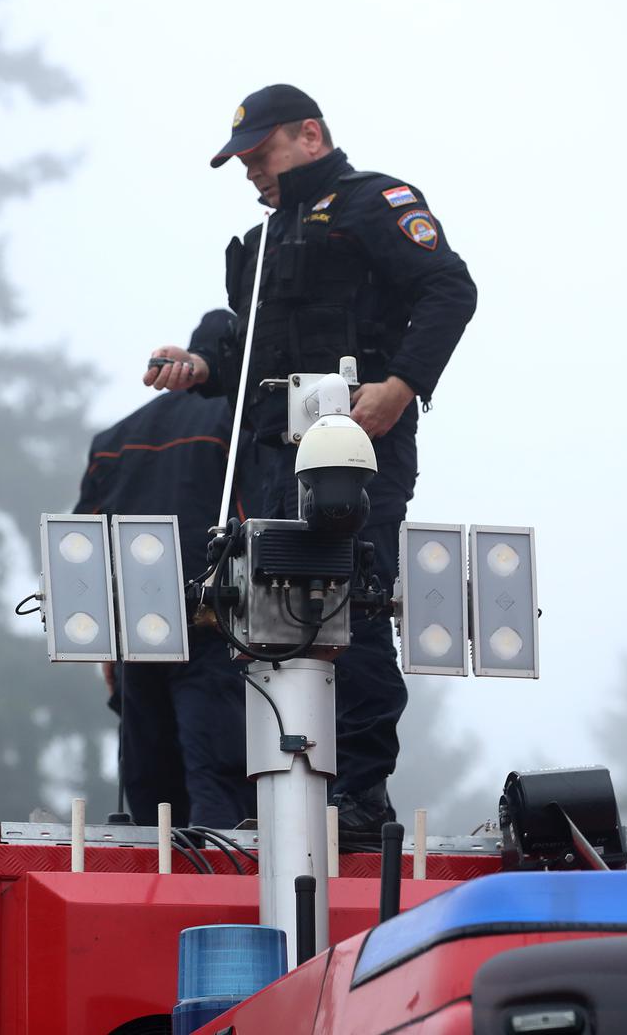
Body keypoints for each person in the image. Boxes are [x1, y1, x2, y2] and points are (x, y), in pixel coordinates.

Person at [142, 84, 477, 847]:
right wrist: (200, 365)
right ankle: (289, 784)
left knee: (350, 603)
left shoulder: (374, 203)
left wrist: (400, 388)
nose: (252, 173)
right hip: (269, 454)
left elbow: (450, 290)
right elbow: (251, 352)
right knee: (266, 615)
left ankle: (361, 795)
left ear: (311, 137)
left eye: (261, 155)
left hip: (356, 446)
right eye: (243, 162)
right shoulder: (263, 245)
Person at [73, 356, 256, 830]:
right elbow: (263, 528)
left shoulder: (113, 441)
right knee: (219, 781)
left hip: (138, 634)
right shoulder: (240, 425)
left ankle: (159, 893)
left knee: (150, 786)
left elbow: (84, 547)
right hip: (217, 630)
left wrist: (108, 650)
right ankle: (218, 897)